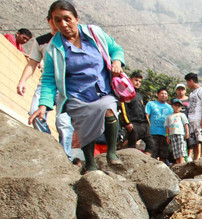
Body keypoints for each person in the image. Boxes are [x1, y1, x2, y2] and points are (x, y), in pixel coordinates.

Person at [29, 0, 125, 172]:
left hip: (101, 90)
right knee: (83, 124)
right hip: (76, 95)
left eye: (67, 19)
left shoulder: (94, 33)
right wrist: (43, 105)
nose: (63, 24)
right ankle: (89, 162)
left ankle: (112, 153)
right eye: (57, 20)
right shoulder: (53, 48)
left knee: (109, 109)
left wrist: (117, 61)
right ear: (52, 22)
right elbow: (49, 79)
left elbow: (116, 49)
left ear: (76, 18)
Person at [16, 14, 74, 159]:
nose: (58, 23)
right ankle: (51, 147)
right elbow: (32, 63)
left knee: (64, 123)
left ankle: (65, 156)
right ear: (49, 21)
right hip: (46, 85)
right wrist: (22, 81)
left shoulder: (70, 39)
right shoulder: (41, 41)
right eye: (55, 20)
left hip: (66, 88)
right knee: (34, 114)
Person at [119, 71, 153, 154]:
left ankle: (146, 162)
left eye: (140, 81)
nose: (138, 83)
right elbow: (124, 108)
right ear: (130, 80)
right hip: (133, 123)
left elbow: (142, 109)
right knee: (132, 146)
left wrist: (148, 123)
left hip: (144, 124)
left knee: (151, 144)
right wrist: (127, 122)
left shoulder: (140, 95)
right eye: (136, 80)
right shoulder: (126, 93)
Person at [185, 73, 202, 160]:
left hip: (199, 119)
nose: (187, 84)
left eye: (187, 82)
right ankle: (195, 158)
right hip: (191, 119)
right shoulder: (191, 94)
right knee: (194, 142)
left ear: (191, 81)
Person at [145, 88, 173, 162]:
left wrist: (169, 135)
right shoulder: (151, 104)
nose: (164, 95)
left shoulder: (170, 108)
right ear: (157, 95)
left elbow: (171, 122)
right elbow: (146, 116)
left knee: (163, 155)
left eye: (165, 94)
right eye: (162, 93)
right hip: (153, 132)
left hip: (164, 134)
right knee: (152, 153)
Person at [165, 99, 190, 165]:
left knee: (181, 148)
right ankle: (177, 163)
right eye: (175, 105)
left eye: (178, 106)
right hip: (172, 134)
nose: (177, 107)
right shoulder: (168, 116)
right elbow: (167, 127)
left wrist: (187, 133)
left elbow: (186, 124)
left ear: (181, 107)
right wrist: (167, 136)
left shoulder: (181, 115)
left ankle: (181, 162)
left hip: (180, 133)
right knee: (175, 149)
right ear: (172, 106)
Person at [174, 83, 193, 160]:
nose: (180, 91)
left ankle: (189, 156)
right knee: (179, 141)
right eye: (179, 89)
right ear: (176, 91)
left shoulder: (189, 99)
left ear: (185, 90)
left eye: (182, 89)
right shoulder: (175, 101)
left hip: (188, 121)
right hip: (177, 123)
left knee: (189, 139)